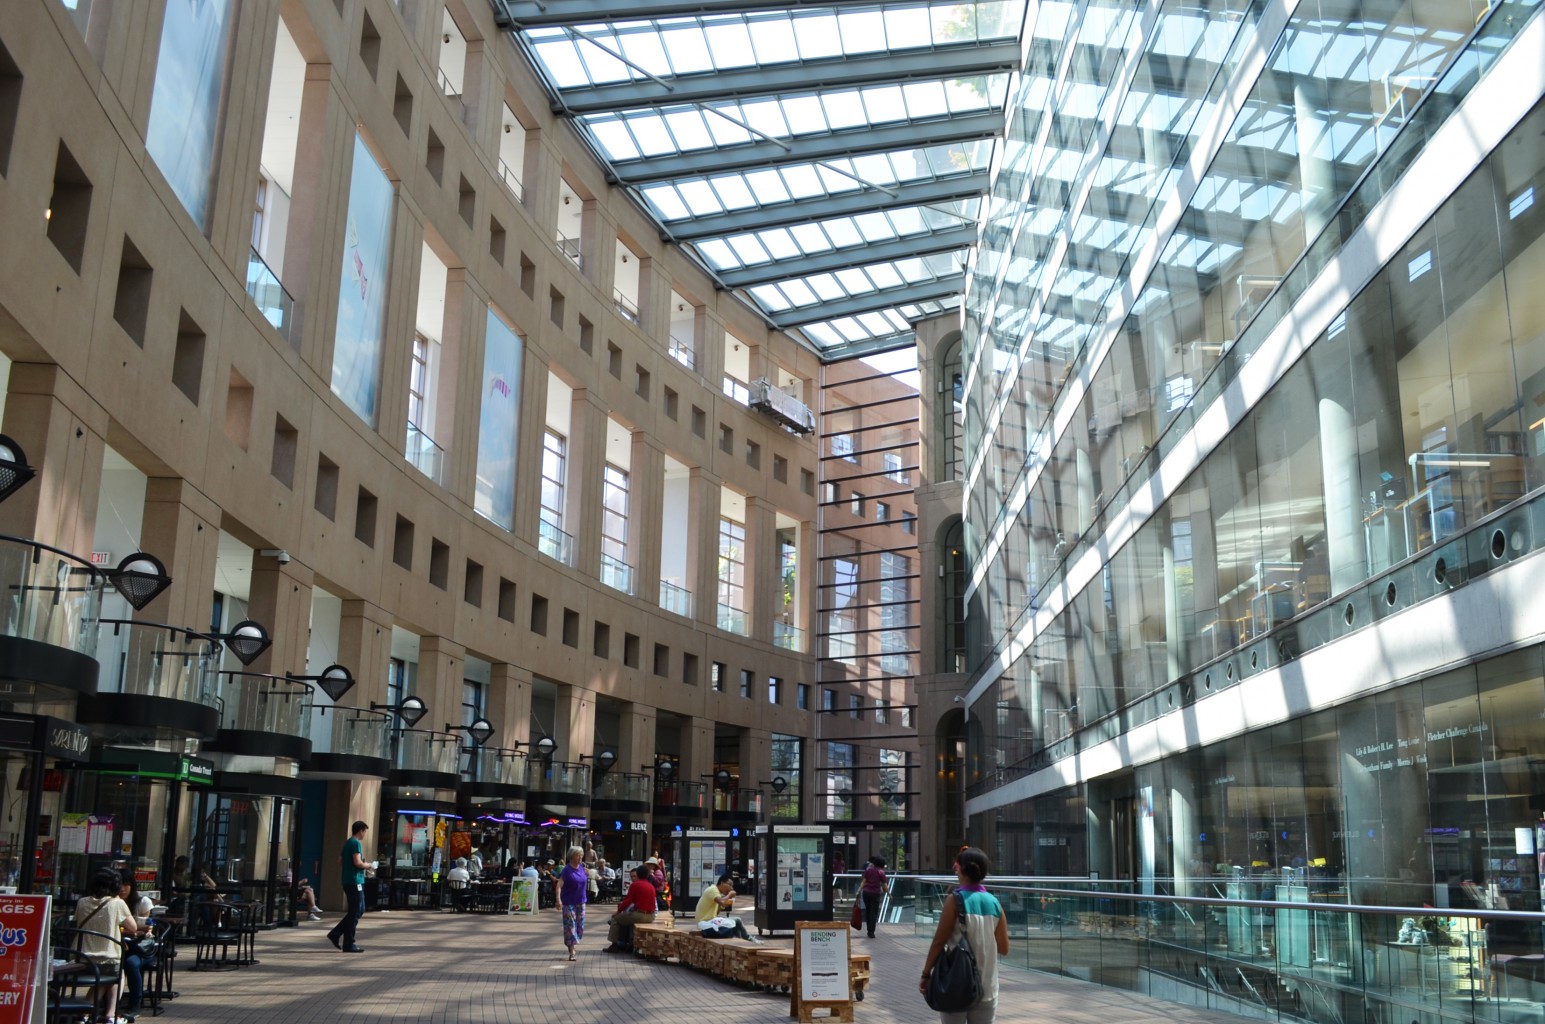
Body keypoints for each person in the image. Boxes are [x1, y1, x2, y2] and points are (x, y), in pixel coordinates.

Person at [919, 847, 1009, 1024]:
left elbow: (939, 941)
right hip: (987, 987)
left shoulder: (954, 900)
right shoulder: (995, 903)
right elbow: (1004, 949)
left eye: (957, 864)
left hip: (956, 985)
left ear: (962, 869)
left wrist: (926, 974)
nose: (954, 867)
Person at [74, 866, 135, 1024]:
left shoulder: (82, 902)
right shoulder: (117, 903)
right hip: (107, 956)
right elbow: (133, 927)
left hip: (80, 958)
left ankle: (84, 1015)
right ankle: (110, 1015)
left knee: (103, 979)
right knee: (117, 975)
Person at [326, 820, 371, 954]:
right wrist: (367, 865)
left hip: (347, 880)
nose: (364, 834)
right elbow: (357, 862)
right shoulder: (356, 843)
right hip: (355, 881)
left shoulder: (347, 843)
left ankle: (336, 933)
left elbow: (339, 861)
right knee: (356, 911)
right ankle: (348, 942)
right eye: (364, 831)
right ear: (361, 830)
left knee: (358, 910)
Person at [117, 870, 154, 1023]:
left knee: (131, 963)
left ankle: (135, 1004)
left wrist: (144, 930)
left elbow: (147, 926)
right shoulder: (113, 903)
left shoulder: (142, 902)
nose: (123, 888)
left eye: (126, 884)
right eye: (119, 884)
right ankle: (108, 1003)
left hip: (139, 948)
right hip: (119, 944)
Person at [603, 865, 657, 952]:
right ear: (647, 875)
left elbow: (627, 901)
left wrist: (618, 911)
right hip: (651, 916)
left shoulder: (635, 885)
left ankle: (614, 945)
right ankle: (631, 944)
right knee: (631, 920)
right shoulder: (651, 886)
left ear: (638, 874)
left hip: (640, 914)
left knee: (615, 919)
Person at [695, 873, 755, 941]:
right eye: (729, 885)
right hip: (705, 923)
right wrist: (729, 894)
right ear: (722, 883)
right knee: (737, 921)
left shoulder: (716, 893)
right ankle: (748, 939)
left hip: (709, 921)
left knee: (735, 922)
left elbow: (716, 913)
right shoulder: (712, 890)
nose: (731, 888)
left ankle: (742, 940)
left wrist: (725, 904)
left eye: (732, 886)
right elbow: (722, 902)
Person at [558, 845, 589, 961]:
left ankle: (571, 943)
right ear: (571, 856)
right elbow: (559, 885)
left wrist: (588, 873)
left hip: (581, 902)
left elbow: (586, 878)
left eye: (581, 855)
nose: (580, 857)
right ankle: (572, 950)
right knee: (570, 925)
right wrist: (558, 899)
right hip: (568, 902)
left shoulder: (582, 868)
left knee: (580, 927)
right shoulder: (566, 870)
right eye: (577, 855)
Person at [860, 855, 889, 938]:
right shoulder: (881, 872)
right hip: (875, 894)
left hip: (866, 893)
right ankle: (871, 932)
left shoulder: (868, 870)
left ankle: (869, 930)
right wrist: (889, 894)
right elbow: (884, 885)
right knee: (874, 913)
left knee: (868, 911)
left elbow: (864, 882)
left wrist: (859, 891)